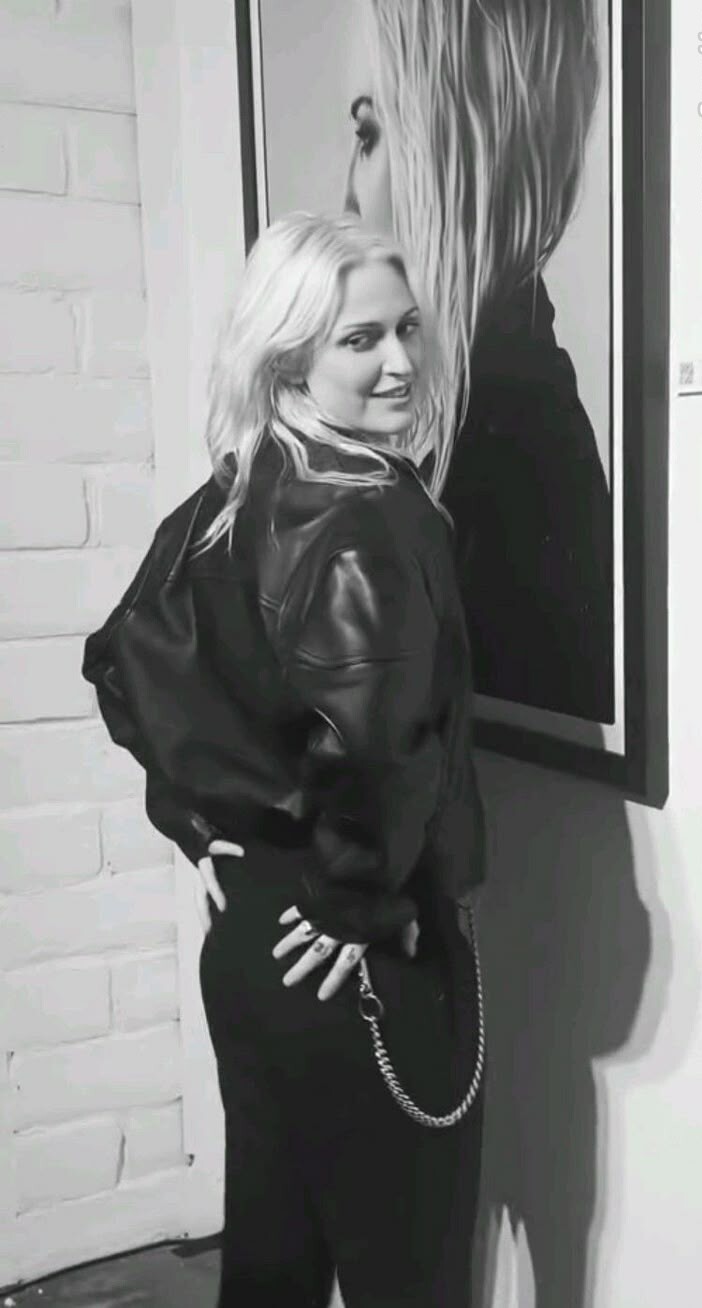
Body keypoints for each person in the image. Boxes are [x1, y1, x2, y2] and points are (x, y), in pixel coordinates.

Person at [83, 212, 486, 1308]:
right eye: (361, 339)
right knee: (413, 1283)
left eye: (407, 328)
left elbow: (121, 662)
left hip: (255, 939)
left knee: (272, 1268)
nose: (401, 361)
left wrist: (198, 821)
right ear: (289, 356)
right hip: (356, 951)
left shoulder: (229, 493)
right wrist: (358, 902)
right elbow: (376, 741)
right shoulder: (373, 513)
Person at [343, 0, 614, 722]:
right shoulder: (507, 431)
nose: (348, 197)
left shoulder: (498, 471)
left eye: (368, 135)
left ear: (446, 150)